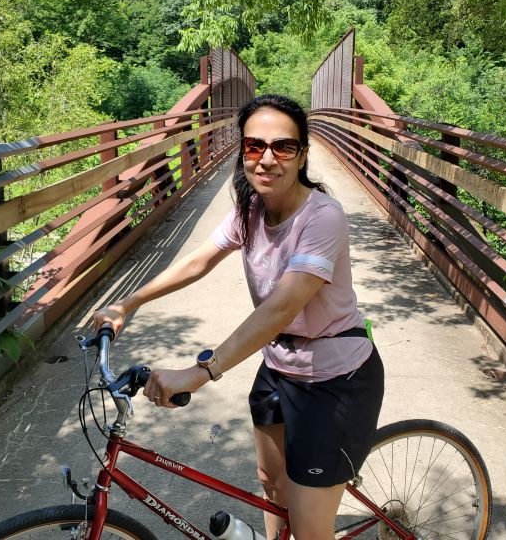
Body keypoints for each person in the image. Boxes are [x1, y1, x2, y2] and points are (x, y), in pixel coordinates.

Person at [93, 94, 384, 540]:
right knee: (271, 485)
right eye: (254, 146)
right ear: (243, 151)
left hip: (335, 381)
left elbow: (283, 306)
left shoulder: (323, 217)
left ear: (303, 154)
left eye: (283, 147)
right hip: (279, 366)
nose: (267, 158)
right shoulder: (251, 210)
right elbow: (198, 261)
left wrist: (200, 371)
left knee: (309, 530)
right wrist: (127, 303)